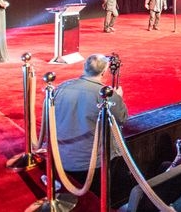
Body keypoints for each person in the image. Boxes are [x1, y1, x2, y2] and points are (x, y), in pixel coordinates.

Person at [53, 54, 128, 193]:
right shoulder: (106, 95)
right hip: (91, 163)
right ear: (104, 72)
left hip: (61, 157)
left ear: (84, 68)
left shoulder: (61, 88)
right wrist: (119, 98)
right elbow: (122, 118)